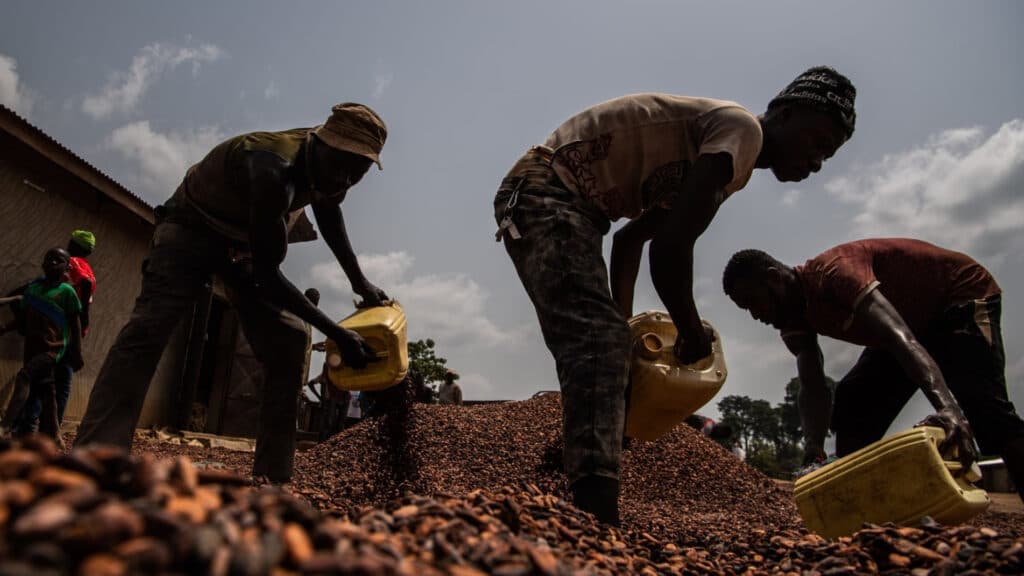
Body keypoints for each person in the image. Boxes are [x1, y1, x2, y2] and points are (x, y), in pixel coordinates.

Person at [494, 67, 856, 524]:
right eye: (818, 142)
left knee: (605, 345)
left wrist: (622, 339)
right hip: (546, 190)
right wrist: (688, 329)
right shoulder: (740, 131)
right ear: (785, 114)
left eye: (828, 155)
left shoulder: (719, 164)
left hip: (570, 206)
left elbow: (630, 244)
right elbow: (670, 250)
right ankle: (596, 519)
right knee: (596, 343)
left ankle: (574, 482)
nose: (818, 161)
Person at [74, 103, 390, 484]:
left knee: (289, 339)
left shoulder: (333, 171)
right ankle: (98, 456)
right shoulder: (273, 169)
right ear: (322, 142)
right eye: (341, 166)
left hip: (240, 245)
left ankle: (273, 477)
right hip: (190, 231)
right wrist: (337, 333)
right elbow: (271, 276)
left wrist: (360, 282)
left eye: (356, 175)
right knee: (149, 330)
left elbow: (329, 213)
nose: (344, 180)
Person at [722, 239, 1024, 501]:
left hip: (957, 297)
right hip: (908, 326)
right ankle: (865, 509)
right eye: (745, 310)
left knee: (988, 409)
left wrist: (948, 408)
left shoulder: (836, 272)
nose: (755, 315)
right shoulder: (791, 318)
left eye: (753, 303)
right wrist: (813, 447)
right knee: (854, 402)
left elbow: (898, 336)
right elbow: (812, 385)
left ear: (774, 279)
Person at [0, 248, 84, 448]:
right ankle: (55, 435)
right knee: (47, 390)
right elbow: (25, 318)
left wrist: (76, 352)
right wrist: (5, 328)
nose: (53, 263)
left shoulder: (67, 292)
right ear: (43, 263)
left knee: (24, 377)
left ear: (67, 267)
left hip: (52, 349)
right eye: (49, 259)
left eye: (59, 260)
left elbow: (75, 324)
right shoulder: (34, 289)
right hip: (32, 347)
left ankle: (5, 427)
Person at [15, 230, 97, 434]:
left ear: (72, 244)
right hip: (65, 332)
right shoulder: (87, 268)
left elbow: (81, 287)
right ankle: (48, 430)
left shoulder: (73, 264)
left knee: (40, 380)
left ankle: (26, 426)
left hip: (58, 332)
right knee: (55, 384)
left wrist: (81, 314)